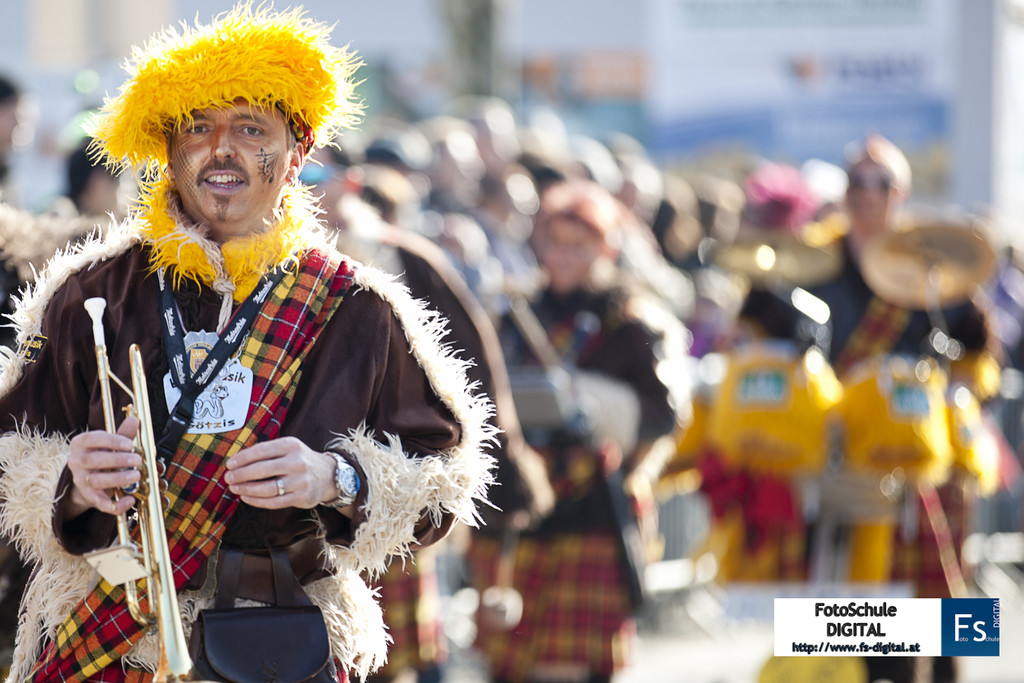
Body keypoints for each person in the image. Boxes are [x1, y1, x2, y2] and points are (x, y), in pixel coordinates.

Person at [0, 5, 495, 682]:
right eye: (197, 128)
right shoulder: (91, 290)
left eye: (250, 128)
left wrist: (337, 478)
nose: (221, 149)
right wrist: (71, 480)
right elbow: (8, 449)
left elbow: (445, 479)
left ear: (297, 152)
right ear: (169, 151)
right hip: (110, 637)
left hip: (280, 638)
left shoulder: (357, 306)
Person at [469, 179, 688, 683]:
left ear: (606, 247)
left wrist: (596, 406)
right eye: (556, 243)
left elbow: (662, 415)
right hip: (518, 509)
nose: (565, 256)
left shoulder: (632, 323)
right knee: (508, 666)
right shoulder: (515, 315)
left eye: (580, 245)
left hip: (592, 511)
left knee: (564, 669)